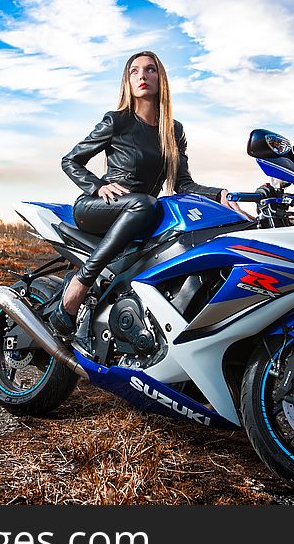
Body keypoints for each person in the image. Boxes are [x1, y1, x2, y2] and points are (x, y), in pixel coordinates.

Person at [50, 50, 249, 335]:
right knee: (146, 204)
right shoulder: (117, 121)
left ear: (161, 79)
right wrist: (97, 186)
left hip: (142, 211)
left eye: (150, 70)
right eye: (134, 71)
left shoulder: (173, 130)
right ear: (127, 82)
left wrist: (220, 194)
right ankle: (81, 283)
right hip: (99, 207)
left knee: (165, 214)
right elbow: (70, 160)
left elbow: (183, 184)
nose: (142, 75)